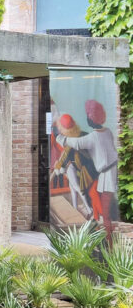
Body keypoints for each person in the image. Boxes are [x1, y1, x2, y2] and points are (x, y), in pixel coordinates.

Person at [58, 99, 119, 240]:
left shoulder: (93, 136)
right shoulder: (107, 132)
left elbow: (77, 143)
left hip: (105, 175)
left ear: (91, 118)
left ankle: (107, 244)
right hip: (106, 173)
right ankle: (99, 228)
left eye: (88, 115)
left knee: (106, 213)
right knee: (93, 195)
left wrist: (61, 137)